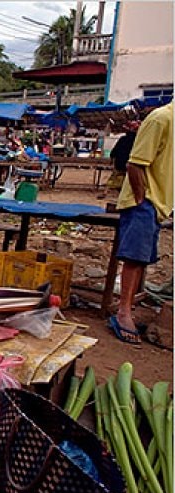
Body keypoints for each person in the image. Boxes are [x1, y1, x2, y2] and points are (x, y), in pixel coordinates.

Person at [111, 102, 173, 345]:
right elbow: (134, 164)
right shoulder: (161, 119)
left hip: (158, 202)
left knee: (142, 258)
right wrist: (140, 197)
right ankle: (123, 312)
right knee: (134, 257)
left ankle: (127, 307)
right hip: (145, 199)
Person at [105, 120, 140, 191]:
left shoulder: (123, 139)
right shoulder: (138, 140)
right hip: (130, 163)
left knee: (115, 177)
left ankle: (107, 191)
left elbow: (114, 151)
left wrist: (112, 159)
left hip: (119, 162)